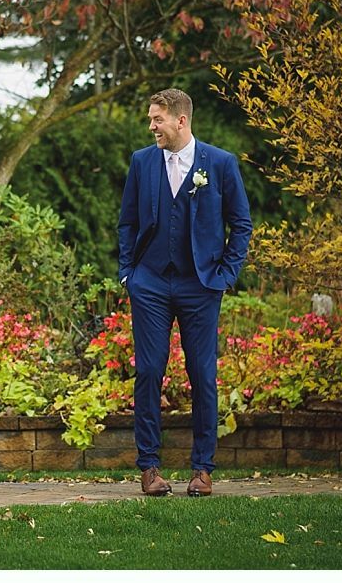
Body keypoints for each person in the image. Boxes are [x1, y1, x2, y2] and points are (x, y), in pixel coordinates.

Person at [117, 89, 252, 497]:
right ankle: (150, 468)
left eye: (157, 119)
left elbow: (241, 225)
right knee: (149, 372)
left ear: (181, 121)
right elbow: (127, 223)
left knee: (203, 376)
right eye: (150, 119)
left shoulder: (221, 164)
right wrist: (129, 274)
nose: (151, 126)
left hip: (201, 285)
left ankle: (202, 470)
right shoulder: (142, 162)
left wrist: (225, 275)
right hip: (151, 284)